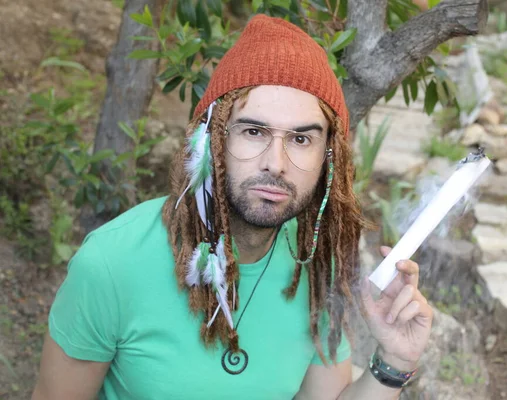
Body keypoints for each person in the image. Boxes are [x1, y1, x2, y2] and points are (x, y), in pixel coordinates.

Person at [32, 14, 433, 400]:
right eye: (254, 131)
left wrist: (394, 362)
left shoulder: (314, 261)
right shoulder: (111, 264)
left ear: (329, 157)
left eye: (300, 139)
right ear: (211, 140)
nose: (275, 162)